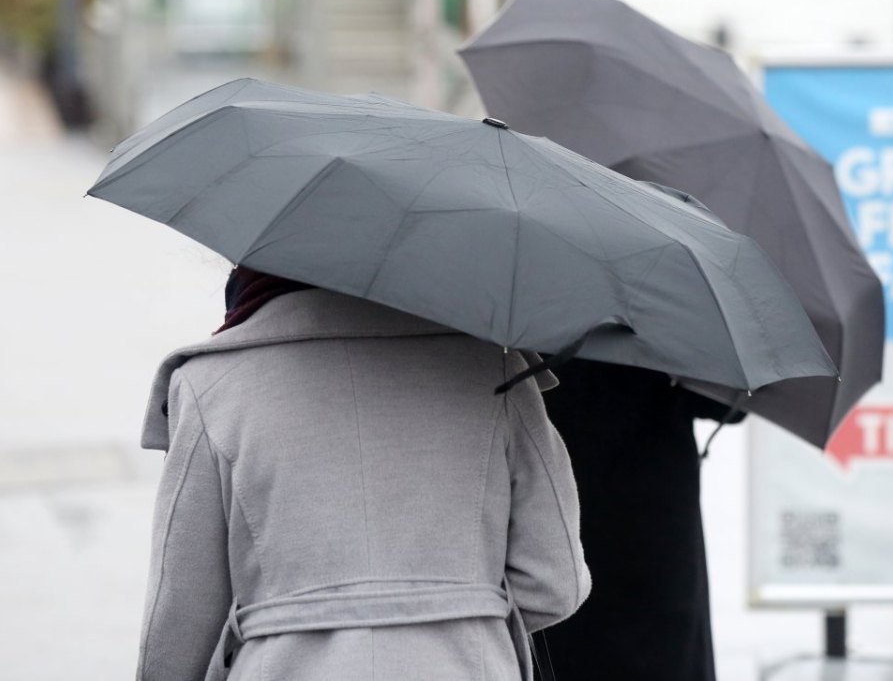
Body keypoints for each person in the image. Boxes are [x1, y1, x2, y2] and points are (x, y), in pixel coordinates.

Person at [136, 267, 590, 681]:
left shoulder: (211, 383)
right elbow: (555, 583)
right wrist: (458, 616)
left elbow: (178, 621)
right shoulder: (497, 370)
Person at [532, 359, 731, 681]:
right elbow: (719, 401)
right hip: (651, 522)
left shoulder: (527, 318)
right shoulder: (667, 314)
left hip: (554, 501)